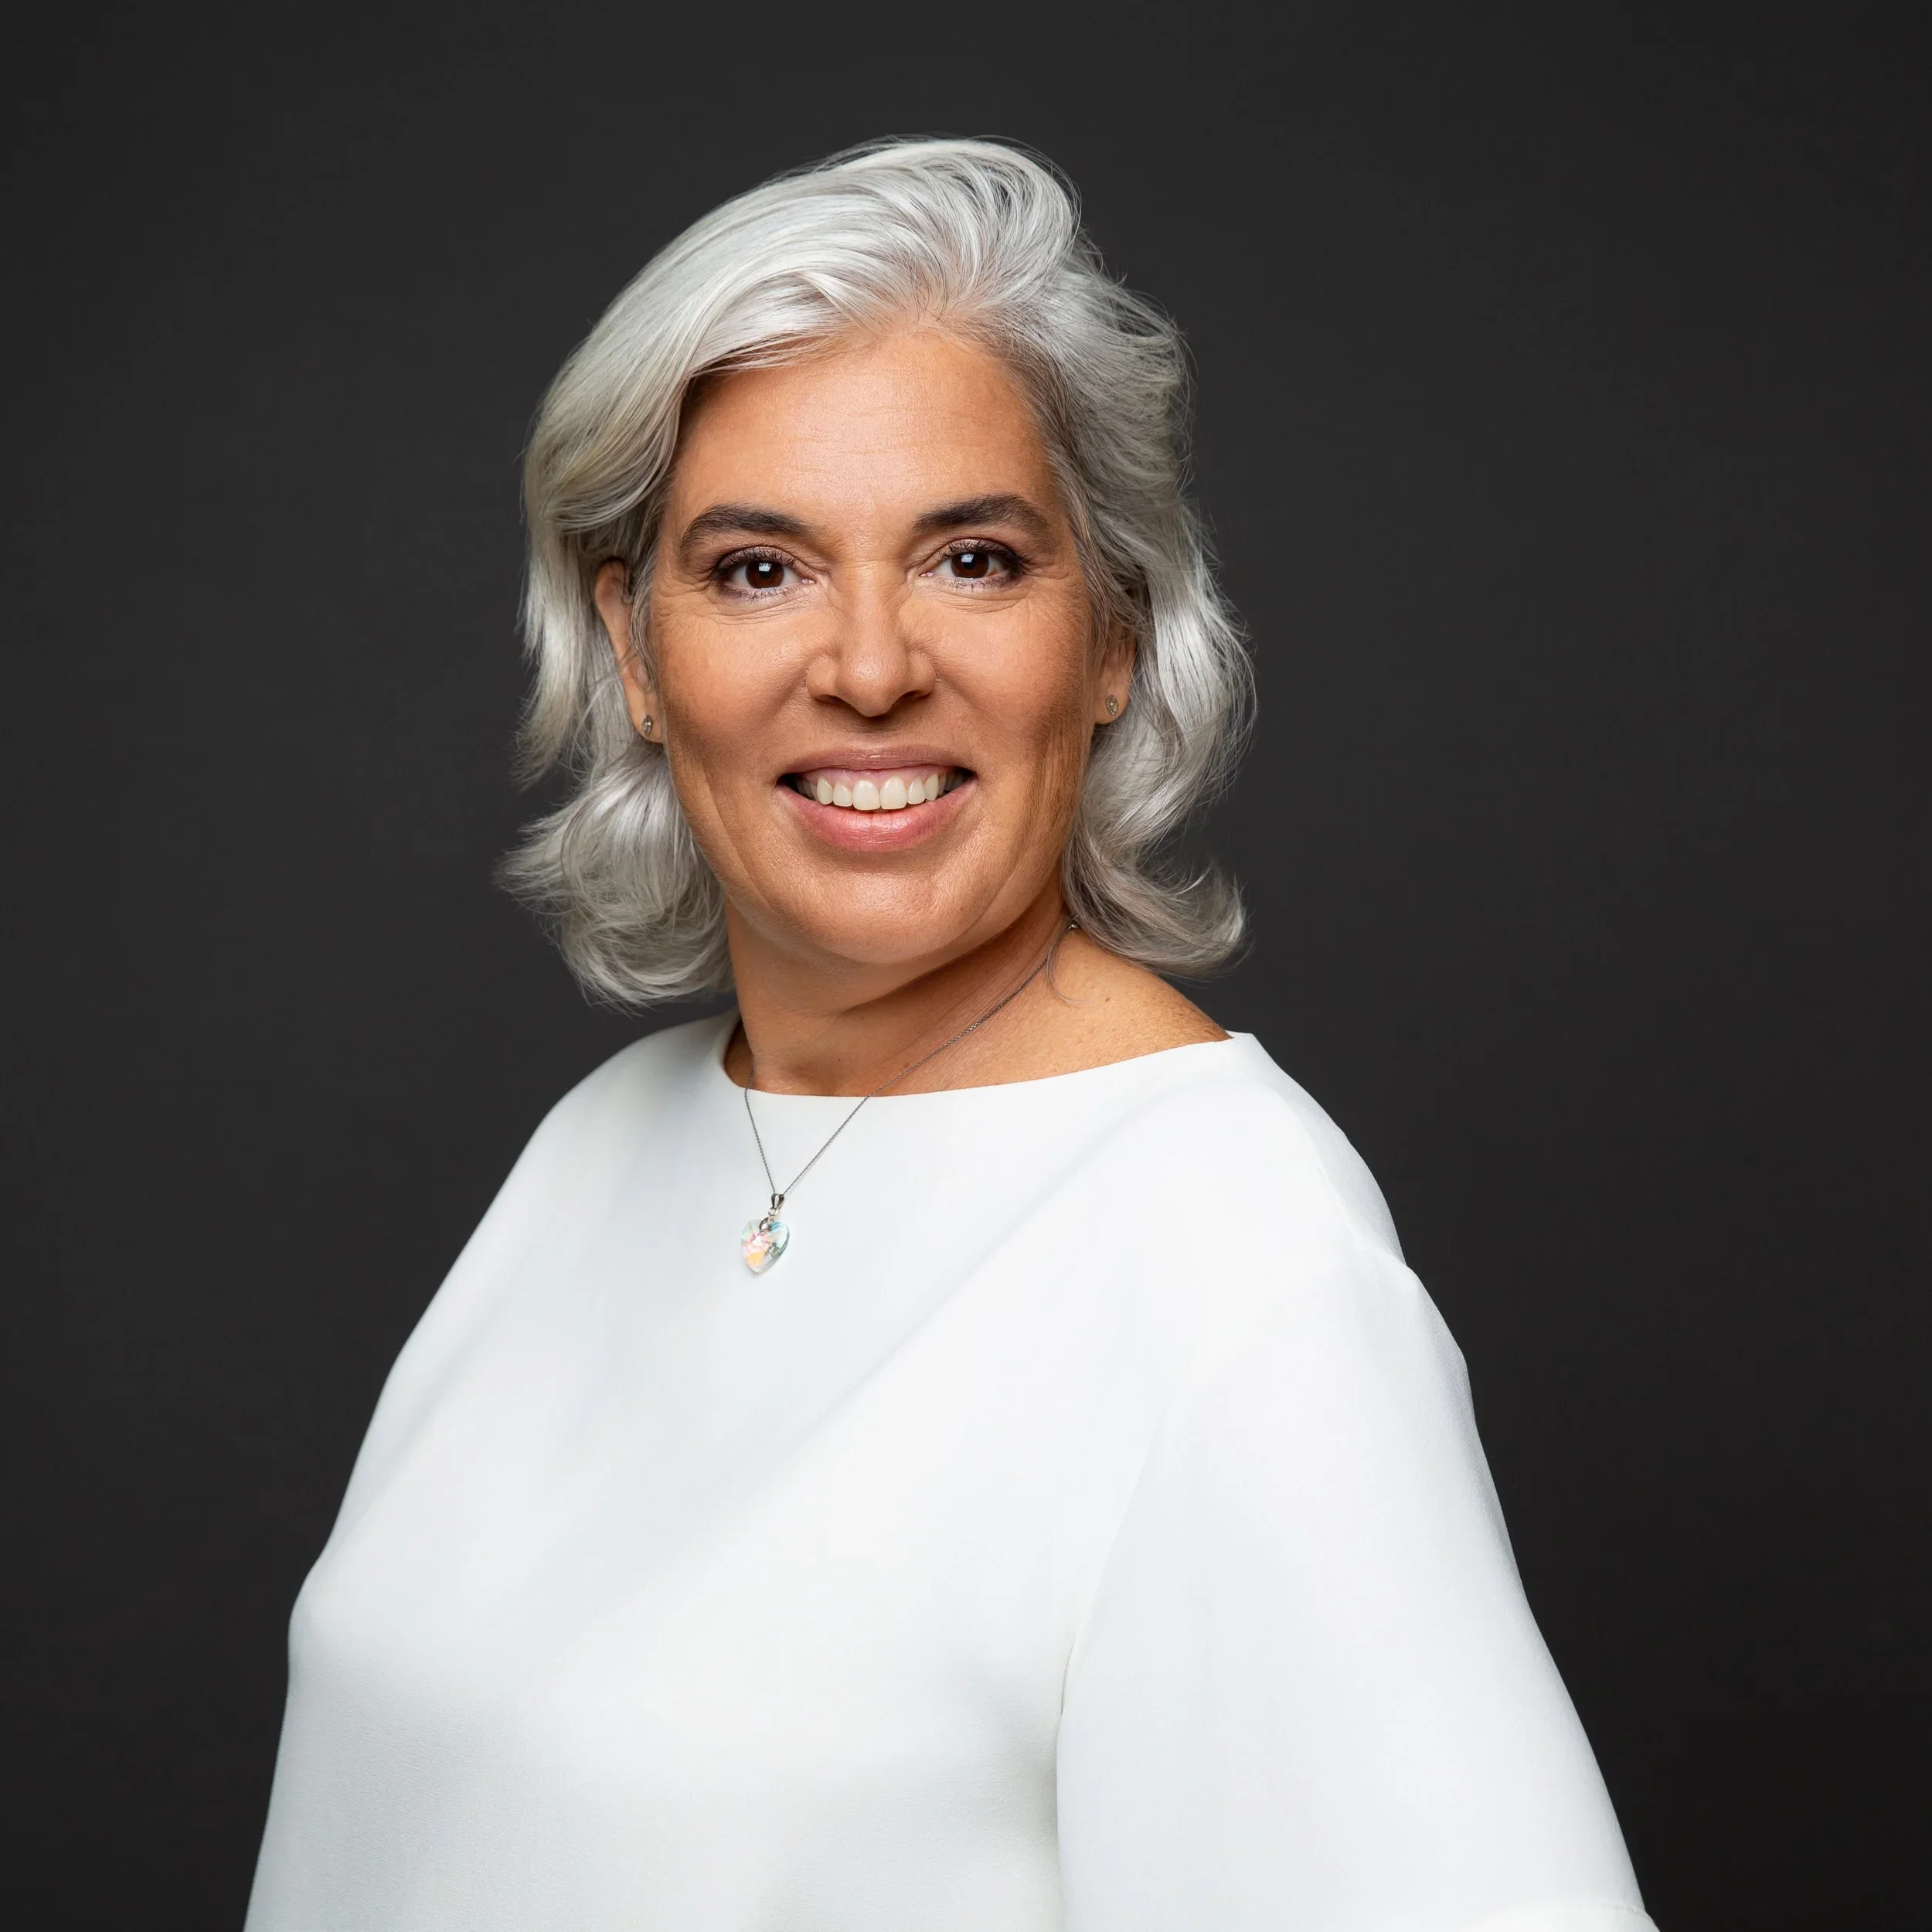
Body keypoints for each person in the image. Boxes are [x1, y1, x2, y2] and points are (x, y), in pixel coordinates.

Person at [245, 139, 1658, 1931]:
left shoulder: (1237, 1273)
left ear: (1113, 634)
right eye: (755, 568)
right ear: (633, 644)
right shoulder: (598, 1146)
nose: (865, 665)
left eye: (972, 558)